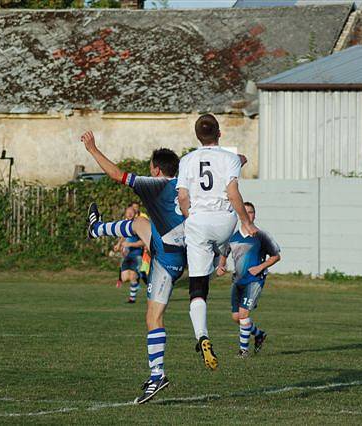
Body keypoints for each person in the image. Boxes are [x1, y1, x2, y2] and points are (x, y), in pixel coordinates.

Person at [81, 130, 185, 404]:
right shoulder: (185, 186)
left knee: (153, 318)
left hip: (168, 258)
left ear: (156, 169)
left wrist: (92, 149)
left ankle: (157, 376)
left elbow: (117, 174)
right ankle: (96, 229)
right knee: (140, 224)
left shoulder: (156, 184)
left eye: (150, 168)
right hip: (178, 249)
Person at [176, 113, 257, 371]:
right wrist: (246, 222)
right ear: (219, 133)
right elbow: (232, 192)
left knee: (197, 287)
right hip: (224, 221)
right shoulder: (230, 158)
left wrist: (193, 219)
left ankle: (202, 336)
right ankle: (222, 254)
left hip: (198, 222)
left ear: (197, 136)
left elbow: (182, 198)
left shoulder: (186, 160)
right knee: (221, 239)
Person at [216, 202, 280, 357]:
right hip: (238, 281)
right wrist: (221, 266)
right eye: (245, 212)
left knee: (244, 315)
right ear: (240, 215)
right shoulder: (233, 237)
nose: (248, 215)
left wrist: (260, 267)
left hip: (255, 280)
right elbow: (224, 253)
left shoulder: (261, 235)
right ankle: (258, 334)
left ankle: (243, 351)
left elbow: (276, 256)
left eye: (251, 212)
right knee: (236, 317)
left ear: (254, 215)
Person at [114, 205, 145, 304]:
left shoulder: (138, 225)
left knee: (132, 276)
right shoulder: (125, 225)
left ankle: (132, 299)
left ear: (135, 213)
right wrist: (119, 245)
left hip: (136, 255)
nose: (130, 214)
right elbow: (123, 236)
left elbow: (143, 242)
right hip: (126, 255)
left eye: (131, 212)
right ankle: (141, 278)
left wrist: (130, 244)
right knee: (124, 278)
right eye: (128, 212)